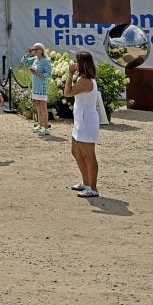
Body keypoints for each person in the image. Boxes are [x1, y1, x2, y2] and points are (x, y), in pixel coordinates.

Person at [65, 51, 100, 197]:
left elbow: (67, 93)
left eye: (77, 62)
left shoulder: (86, 81)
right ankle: (86, 183)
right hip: (81, 117)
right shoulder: (84, 79)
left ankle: (93, 187)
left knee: (89, 155)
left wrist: (70, 75)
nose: (75, 64)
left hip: (86, 119)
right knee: (76, 151)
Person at [20, 42, 53, 135]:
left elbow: (48, 74)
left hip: (42, 87)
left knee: (43, 107)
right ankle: (40, 124)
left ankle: (45, 127)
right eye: (33, 49)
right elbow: (24, 62)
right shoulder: (35, 59)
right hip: (35, 86)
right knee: (38, 106)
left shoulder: (45, 61)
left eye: (36, 49)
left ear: (41, 50)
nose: (34, 51)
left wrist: (37, 73)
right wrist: (28, 54)